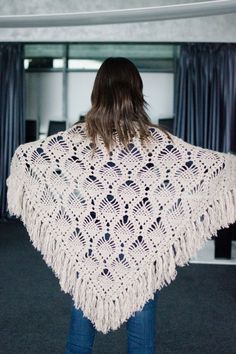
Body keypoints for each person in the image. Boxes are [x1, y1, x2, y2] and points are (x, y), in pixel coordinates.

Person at [6, 57, 236, 354]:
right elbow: (202, 165)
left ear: (98, 91)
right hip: (140, 245)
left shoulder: (79, 138)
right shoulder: (156, 141)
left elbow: (36, 155)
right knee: (141, 339)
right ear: (136, 92)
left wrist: (23, 161)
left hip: (89, 244)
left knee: (80, 334)